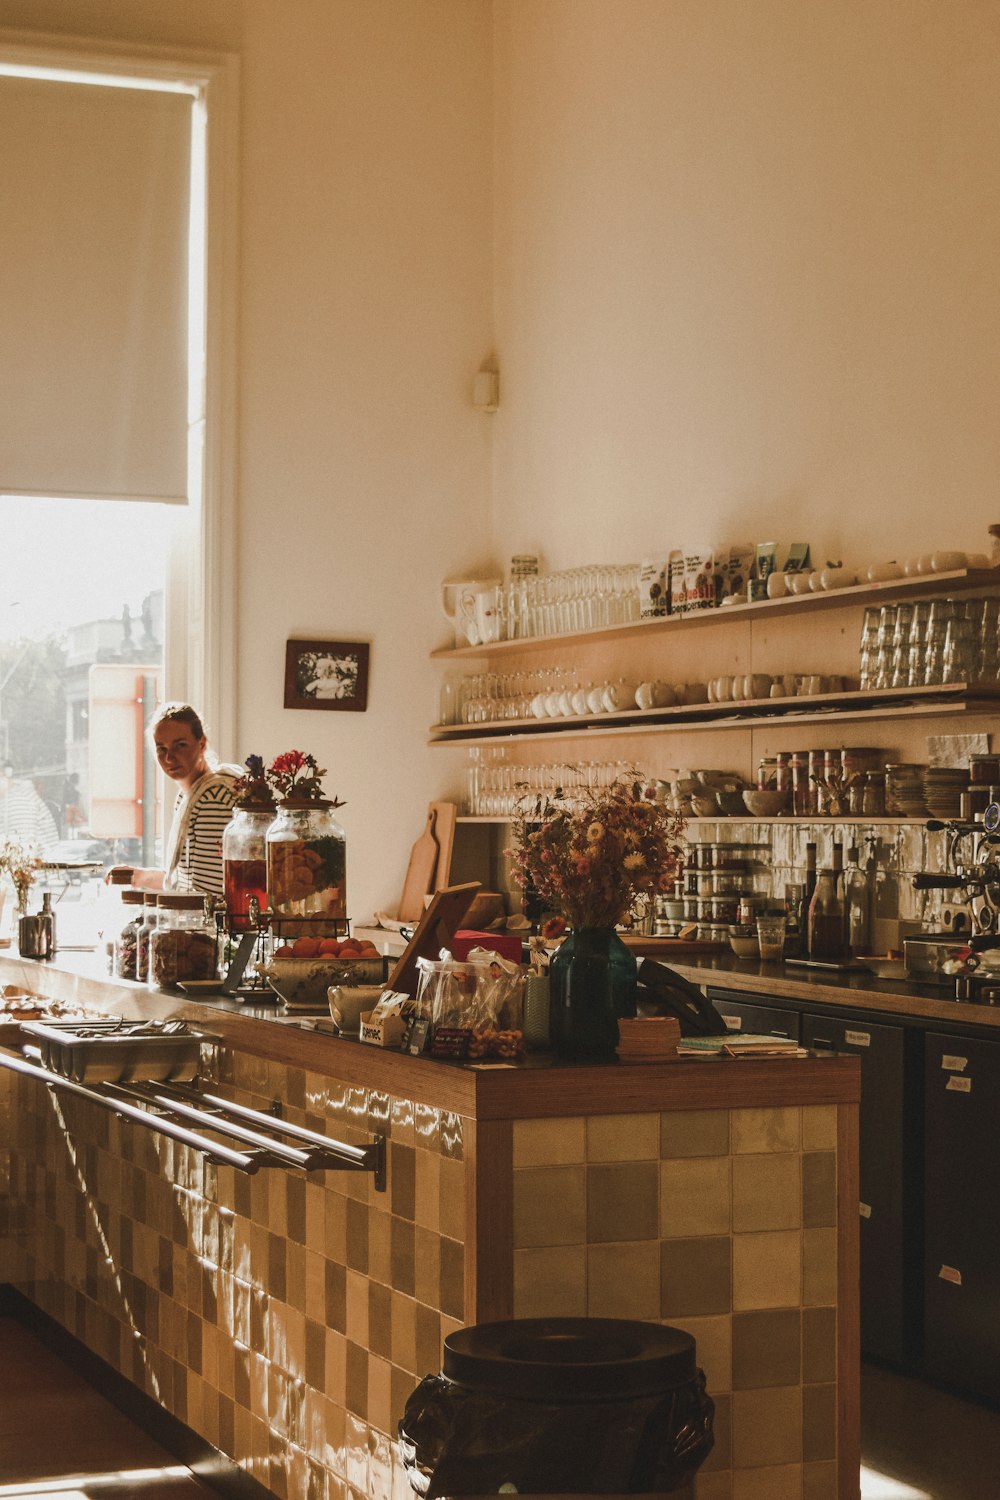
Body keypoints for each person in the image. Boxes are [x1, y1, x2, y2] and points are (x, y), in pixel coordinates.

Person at [117, 703, 239, 899]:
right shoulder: (188, 796)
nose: (169, 757)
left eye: (180, 745)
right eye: (161, 748)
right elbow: (188, 883)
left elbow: (207, 895)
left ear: (201, 743)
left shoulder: (212, 799)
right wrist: (140, 876)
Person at [0, 763, 58, 852]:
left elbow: (21, 851)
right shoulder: (9, 799)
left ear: (3, 777)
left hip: (37, 861)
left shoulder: (18, 802)